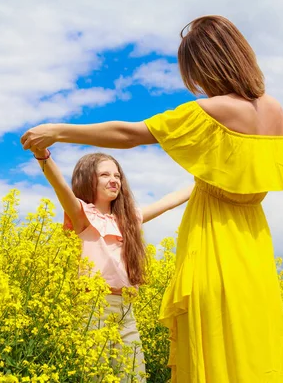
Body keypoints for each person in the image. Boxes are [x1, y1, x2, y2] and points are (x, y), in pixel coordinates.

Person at [21, 15, 283, 382]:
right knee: (250, 334)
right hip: (253, 241)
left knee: (212, 339)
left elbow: (131, 133)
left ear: (208, 65)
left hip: (215, 237)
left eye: (195, 73)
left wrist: (59, 130)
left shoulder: (215, 109)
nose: (196, 85)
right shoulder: (276, 111)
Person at [29, 148, 193, 382]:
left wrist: (204, 181)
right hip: (93, 307)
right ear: (87, 179)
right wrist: (43, 157)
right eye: (105, 175)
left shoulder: (129, 218)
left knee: (134, 375)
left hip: (126, 308)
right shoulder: (81, 214)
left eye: (117, 176)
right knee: (95, 374)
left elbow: (168, 202)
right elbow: (60, 187)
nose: (114, 180)